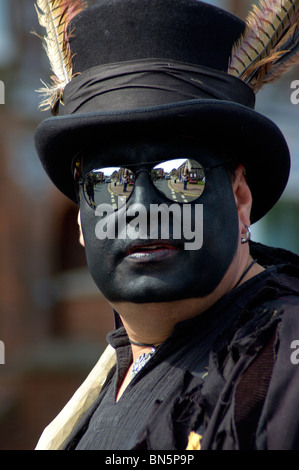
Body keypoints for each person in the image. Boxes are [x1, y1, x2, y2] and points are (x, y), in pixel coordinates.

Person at [33, 0, 299, 450]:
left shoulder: (281, 361)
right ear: (81, 220)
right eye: (107, 182)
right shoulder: (105, 388)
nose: (140, 207)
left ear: (239, 198)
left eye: (179, 175)